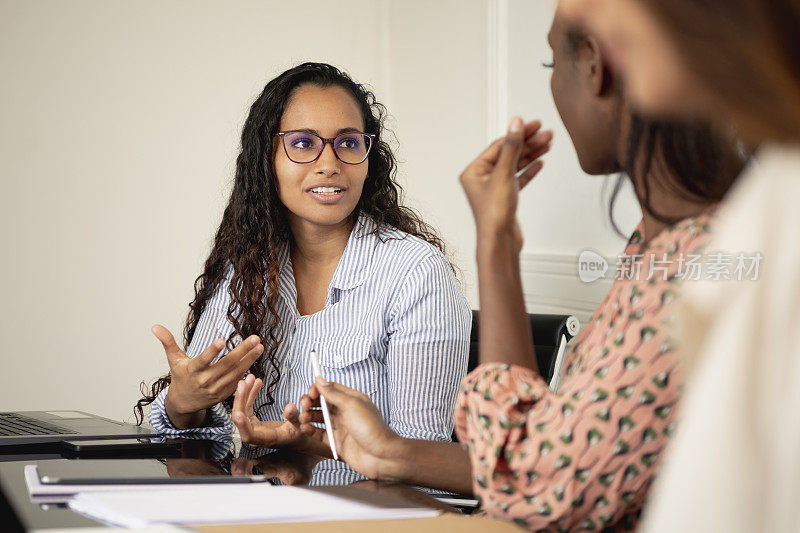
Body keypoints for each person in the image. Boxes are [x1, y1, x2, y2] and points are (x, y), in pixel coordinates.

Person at [284, 8, 746, 530]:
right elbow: (562, 452)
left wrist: (496, 243)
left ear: (595, 66)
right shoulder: (654, 245)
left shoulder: (698, 270)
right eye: (302, 144)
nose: (326, 162)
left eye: (553, 61)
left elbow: (534, 482)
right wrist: (386, 451)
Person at [135, 62, 471, 482]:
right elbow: (199, 447)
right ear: (268, 158)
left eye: (348, 143)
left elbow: (426, 460)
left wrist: (311, 457)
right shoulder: (249, 267)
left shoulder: (416, 274)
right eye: (303, 142)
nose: (329, 163)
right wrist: (182, 405)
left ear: (369, 158)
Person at [557, 0, 800, 531]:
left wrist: (498, 245)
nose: (580, 8)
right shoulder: (771, 200)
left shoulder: (739, 236)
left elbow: (546, 483)